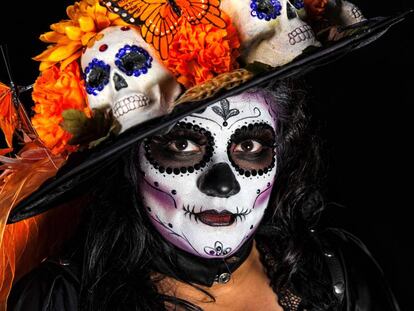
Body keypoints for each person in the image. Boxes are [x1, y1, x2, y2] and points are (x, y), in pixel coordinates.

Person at [0, 0, 410, 310]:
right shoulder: (64, 299)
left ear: (283, 151)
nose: (223, 183)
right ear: (131, 163)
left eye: (249, 146)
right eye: (182, 144)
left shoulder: (336, 271)